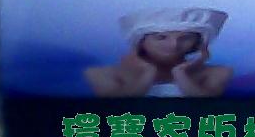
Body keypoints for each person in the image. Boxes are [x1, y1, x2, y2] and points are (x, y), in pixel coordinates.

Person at [85, 7, 232, 97]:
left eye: (185, 38)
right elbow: (117, 109)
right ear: (141, 41)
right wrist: (148, 72)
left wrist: (180, 72)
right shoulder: (102, 74)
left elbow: (205, 108)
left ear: (198, 42)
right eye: (161, 37)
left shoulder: (218, 72)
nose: (174, 45)